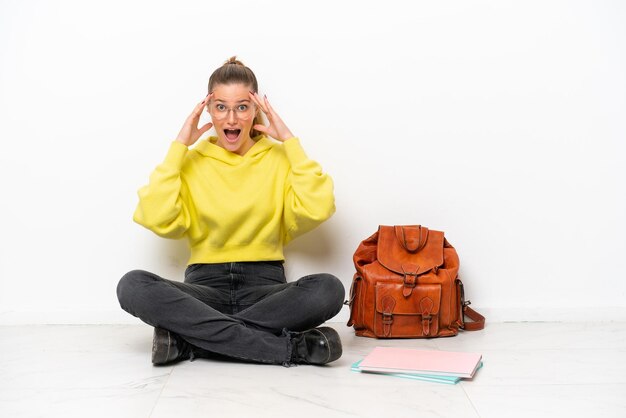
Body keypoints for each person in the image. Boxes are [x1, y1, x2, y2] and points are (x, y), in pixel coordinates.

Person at [116, 56, 345, 367]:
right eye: (221, 107)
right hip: (204, 289)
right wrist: (179, 147)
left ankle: (189, 342)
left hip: (265, 289)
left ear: (255, 111)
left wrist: (290, 142)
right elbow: (156, 216)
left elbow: (318, 207)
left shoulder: (277, 158)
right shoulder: (192, 161)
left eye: (242, 106)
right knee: (132, 285)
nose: (232, 118)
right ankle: (290, 350)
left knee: (328, 289)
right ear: (208, 111)